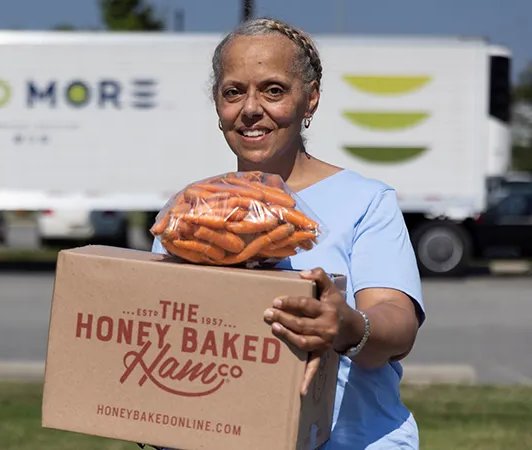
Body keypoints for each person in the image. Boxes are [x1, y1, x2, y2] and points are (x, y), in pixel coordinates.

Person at [145, 16, 426, 450]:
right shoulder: (191, 212)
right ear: (218, 104)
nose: (250, 108)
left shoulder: (366, 202)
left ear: (310, 100)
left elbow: (397, 324)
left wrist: (347, 326)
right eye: (233, 92)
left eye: (273, 90)